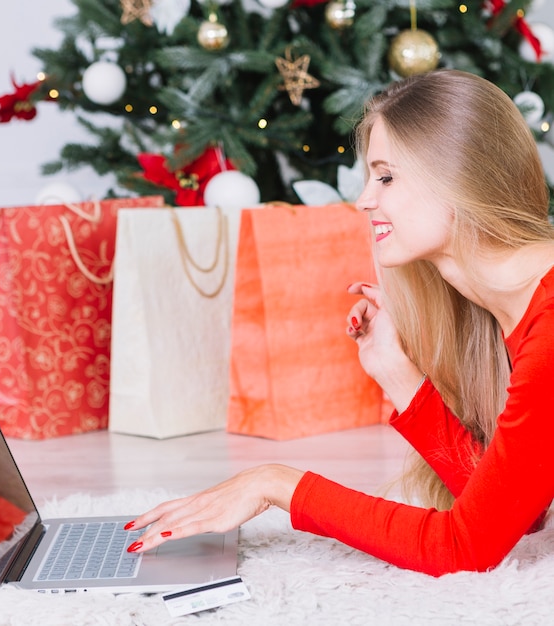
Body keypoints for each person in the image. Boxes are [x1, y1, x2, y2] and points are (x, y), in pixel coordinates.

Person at [123, 69, 554, 577]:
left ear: (462, 177)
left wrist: (277, 483)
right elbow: (515, 513)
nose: (363, 199)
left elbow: (463, 546)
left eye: (386, 176)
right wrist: (395, 370)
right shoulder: (523, 308)